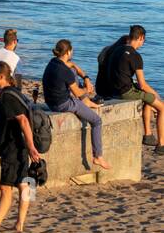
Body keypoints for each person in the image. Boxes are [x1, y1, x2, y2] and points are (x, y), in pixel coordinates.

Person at [0, 60, 41, 233]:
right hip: (21, 146)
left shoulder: (8, 96)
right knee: (25, 184)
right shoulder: (16, 93)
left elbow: (23, 120)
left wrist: (31, 147)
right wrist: (29, 146)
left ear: (2, 76)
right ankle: (20, 224)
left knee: (5, 187)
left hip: (14, 147)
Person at [42, 39, 110, 170]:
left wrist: (85, 77)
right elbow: (78, 92)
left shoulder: (53, 62)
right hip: (62, 104)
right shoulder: (64, 71)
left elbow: (72, 65)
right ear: (68, 52)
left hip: (51, 100)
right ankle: (98, 156)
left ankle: (86, 102)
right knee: (96, 121)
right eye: (71, 50)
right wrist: (88, 89)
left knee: (73, 71)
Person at [97, 24, 164, 153]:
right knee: (161, 107)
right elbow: (143, 84)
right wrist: (156, 94)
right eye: (143, 41)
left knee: (147, 96)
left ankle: (148, 135)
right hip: (125, 92)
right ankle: (161, 145)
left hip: (113, 89)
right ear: (141, 38)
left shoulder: (115, 50)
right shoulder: (135, 56)